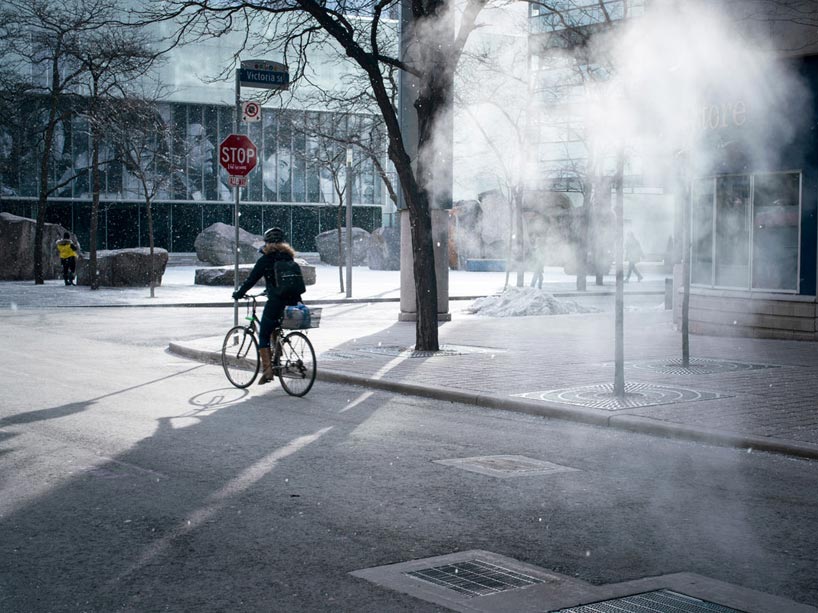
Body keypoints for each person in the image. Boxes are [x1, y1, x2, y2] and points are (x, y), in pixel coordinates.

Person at [232, 227, 302, 385]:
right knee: (276, 330)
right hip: (294, 302)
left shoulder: (266, 259)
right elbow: (285, 281)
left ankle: (268, 371)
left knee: (264, 334)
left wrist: (238, 293)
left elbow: (251, 280)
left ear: (267, 242)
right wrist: (270, 289)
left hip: (276, 303)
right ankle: (277, 360)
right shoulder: (288, 258)